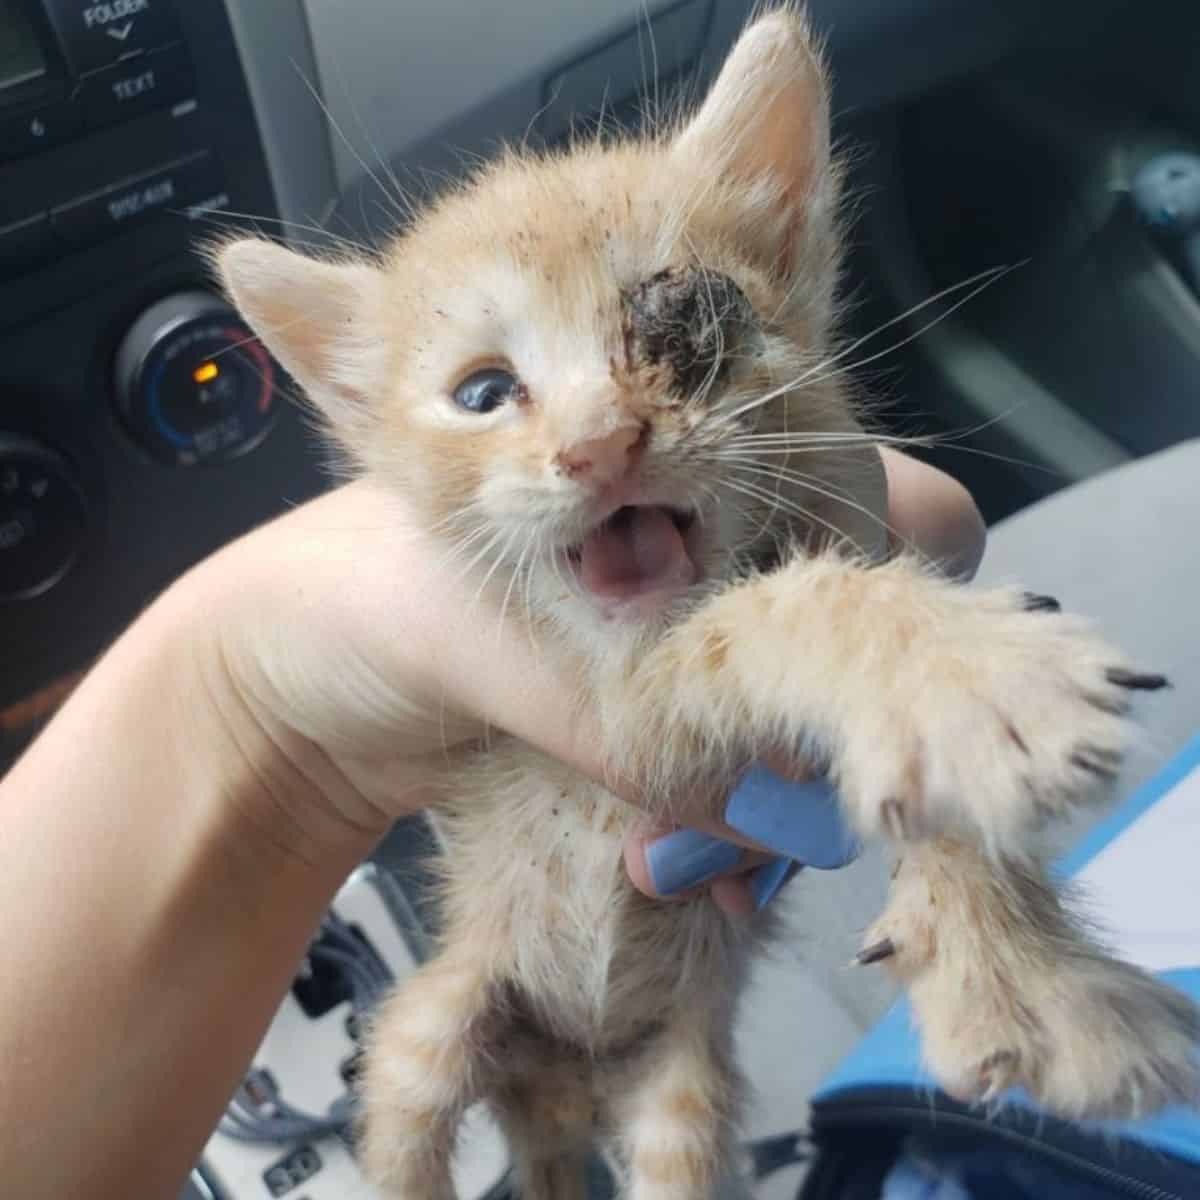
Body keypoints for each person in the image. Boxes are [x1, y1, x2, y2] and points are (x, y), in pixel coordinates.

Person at [0, 449, 984, 1199]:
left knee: (662, 1134)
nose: (594, 449)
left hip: (665, 989)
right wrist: (248, 686)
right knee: (433, 1086)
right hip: (514, 964)